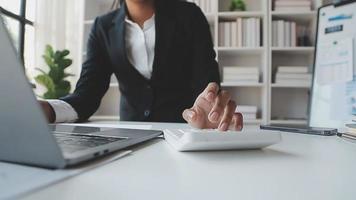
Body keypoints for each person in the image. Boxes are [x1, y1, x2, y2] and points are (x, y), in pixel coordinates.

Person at [39, 0, 244, 131]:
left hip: (183, 133)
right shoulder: (102, 27)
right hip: (129, 137)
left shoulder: (189, 15)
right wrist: (48, 109)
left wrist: (210, 107)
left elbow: (206, 79)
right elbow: (87, 95)